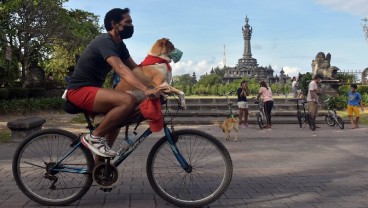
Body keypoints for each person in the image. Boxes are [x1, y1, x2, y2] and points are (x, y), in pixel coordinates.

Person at [66, 8, 159, 158]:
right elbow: (121, 68)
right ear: (114, 24)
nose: (131, 25)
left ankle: (100, 166)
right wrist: (145, 89)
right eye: (127, 22)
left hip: (92, 91)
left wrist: (159, 85)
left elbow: (136, 69)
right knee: (128, 100)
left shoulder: (120, 46)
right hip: (79, 90)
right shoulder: (105, 41)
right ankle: (95, 137)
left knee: (117, 122)